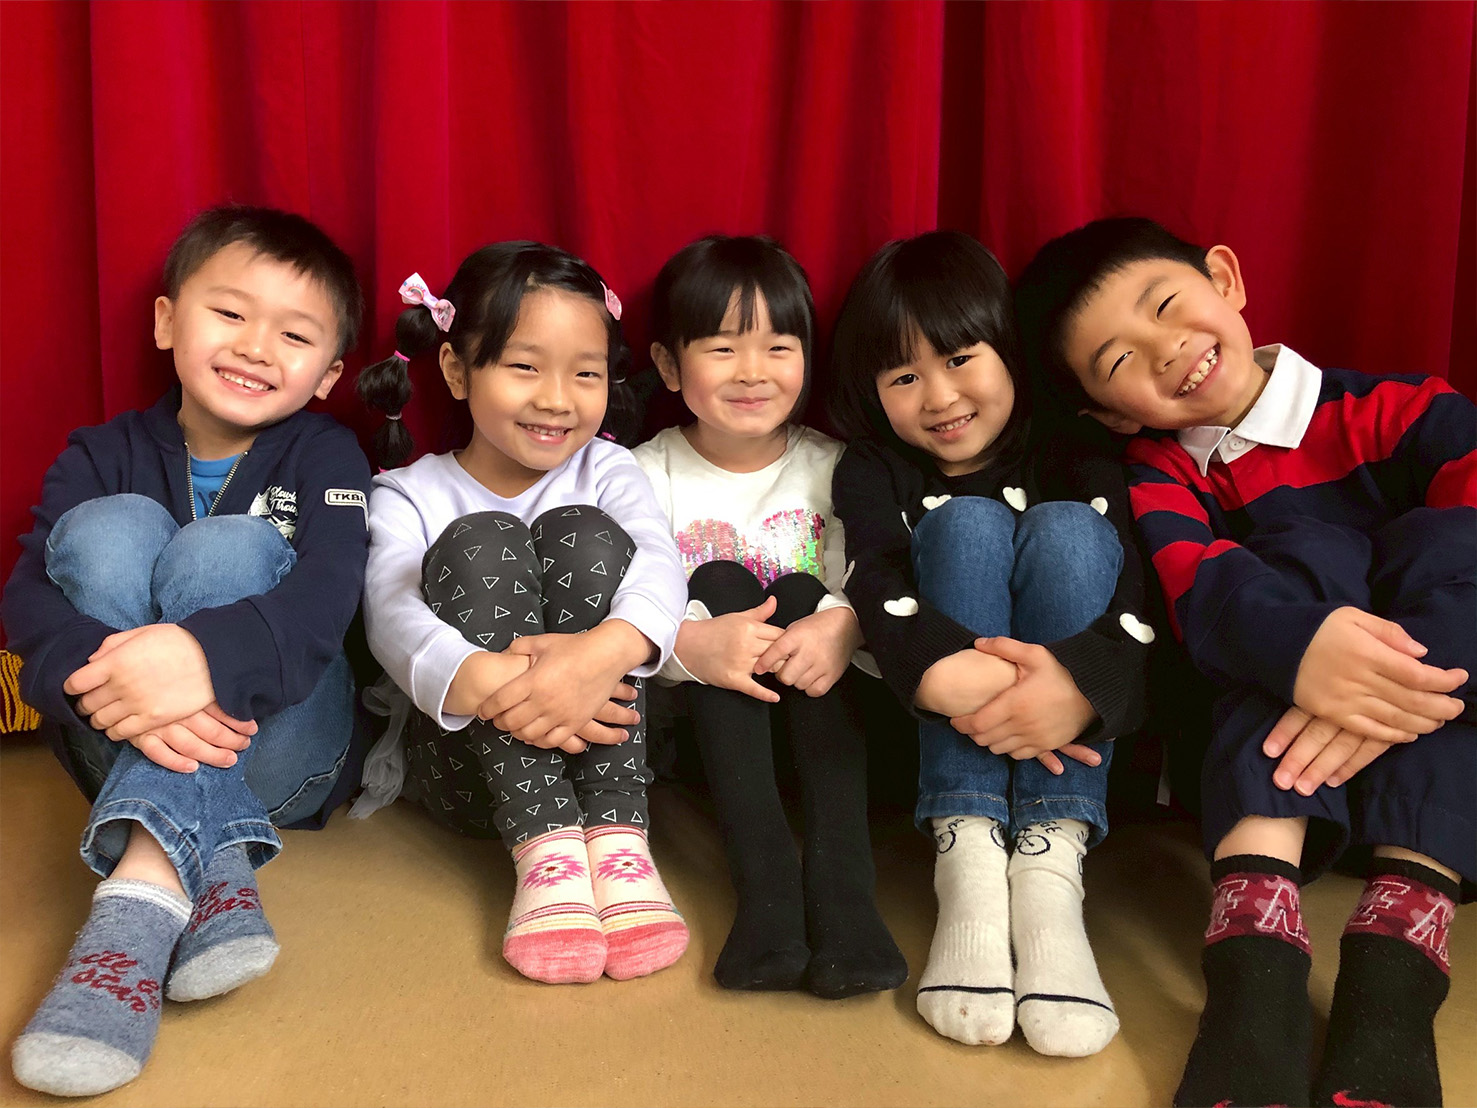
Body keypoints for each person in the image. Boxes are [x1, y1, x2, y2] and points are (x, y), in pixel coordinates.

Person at [1014, 215, 1474, 1107]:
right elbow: (1196, 592)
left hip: (1431, 732)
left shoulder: (1401, 408)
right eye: (1119, 360)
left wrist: (1393, 682)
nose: (1166, 350)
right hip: (1268, 755)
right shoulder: (1157, 471)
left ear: (1223, 279)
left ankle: (1392, 988)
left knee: (1444, 548)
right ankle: (1254, 980)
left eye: (1166, 306)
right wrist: (1304, 654)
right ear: (1109, 412)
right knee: (1280, 570)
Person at [3, 205, 371, 1096]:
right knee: (110, 529)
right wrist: (122, 675)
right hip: (118, 726)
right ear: (167, 320)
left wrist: (196, 657)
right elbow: (27, 601)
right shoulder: (99, 454)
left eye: (294, 335)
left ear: (329, 373)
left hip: (281, 750)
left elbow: (328, 600)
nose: (255, 346)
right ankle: (211, 869)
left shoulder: (328, 455)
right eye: (230, 313)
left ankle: (139, 890)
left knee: (226, 549)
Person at [828, 231, 1150, 1055]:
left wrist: (1075, 687)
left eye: (959, 359)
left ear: (1007, 350)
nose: (939, 396)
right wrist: (948, 673)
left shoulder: (1073, 446)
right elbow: (872, 575)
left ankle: (1049, 869)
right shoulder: (872, 466)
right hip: (939, 732)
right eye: (903, 377)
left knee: (1069, 530)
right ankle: (967, 856)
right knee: (965, 524)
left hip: (1071, 736)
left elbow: (1133, 596)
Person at [356, 242, 689, 986]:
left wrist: (598, 657)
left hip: (610, 752)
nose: (557, 399)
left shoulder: (609, 467)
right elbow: (389, 613)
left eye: (585, 373)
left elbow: (660, 565)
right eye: (524, 367)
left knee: (588, 534)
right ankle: (546, 856)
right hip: (471, 771)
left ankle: (619, 847)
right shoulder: (408, 492)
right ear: (455, 370)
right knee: (482, 541)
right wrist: (505, 687)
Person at [632, 234, 907, 999]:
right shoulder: (643, 474)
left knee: (799, 593)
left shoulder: (838, 465)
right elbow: (627, 612)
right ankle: (766, 893)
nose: (752, 372)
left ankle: (844, 893)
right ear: (668, 366)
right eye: (722, 349)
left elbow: (881, 578)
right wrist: (692, 645)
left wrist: (842, 625)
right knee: (720, 581)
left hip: (835, 729)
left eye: (778, 347)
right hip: (710, 743)